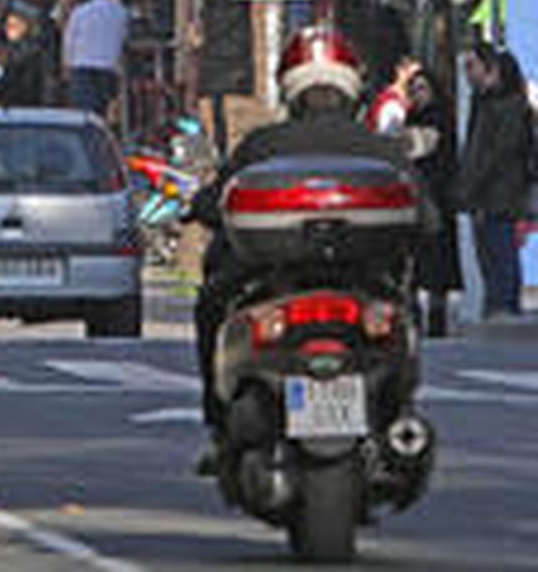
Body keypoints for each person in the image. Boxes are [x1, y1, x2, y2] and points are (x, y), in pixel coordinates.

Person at [191, 25, 431, 445]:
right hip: (365, 282)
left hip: (272, 280)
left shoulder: (263, 144)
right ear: (352, 88)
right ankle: (398, 410)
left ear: (290, 90)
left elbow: (215, 205)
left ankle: (217, 418)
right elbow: (427, 217)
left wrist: (199, 207)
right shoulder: (381, 148)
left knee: (211, 303)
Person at [457, 41, 532, 321]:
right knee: (489, 251)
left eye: (471, 66)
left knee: (500, 250)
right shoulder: (484, 101)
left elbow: (498, 152)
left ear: (490, 67)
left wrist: (473, 183)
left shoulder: (507, 105)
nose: (467, 73)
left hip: (500, 192)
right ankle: (497, 303)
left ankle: (504, 305)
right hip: (485, 192)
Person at [401, 62, 461, 337]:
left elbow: (418, 147)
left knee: (437, 260)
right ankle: (414, 315)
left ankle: (437, 318)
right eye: (413, 89)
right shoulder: (411, 116)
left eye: (422, 88)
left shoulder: (440, 117)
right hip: (417, 195)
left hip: (438, 195)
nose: (417, 94)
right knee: (415, 259)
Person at [61, 0, 129, 121]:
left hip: (82, 65)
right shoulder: (121, 11)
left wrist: (67, 65)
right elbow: (124, 36)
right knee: (103, 108)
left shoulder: (80, 12)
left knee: (83, 111)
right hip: (108, 66)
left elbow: (69, 40)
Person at [0, 0, 49, 109]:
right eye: (8, 25)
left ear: (26, 27)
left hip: (23, 107)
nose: (9, 29)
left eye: (15, 25)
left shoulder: (33, 52)